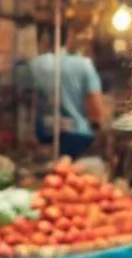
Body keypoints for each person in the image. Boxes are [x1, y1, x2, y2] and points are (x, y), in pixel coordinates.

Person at [21, 25, 109, 158]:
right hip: (77, 139)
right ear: (68, 38)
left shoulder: (34, 66)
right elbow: (95, 110)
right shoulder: (84, 65)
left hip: (44, 135)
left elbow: (26, 100)